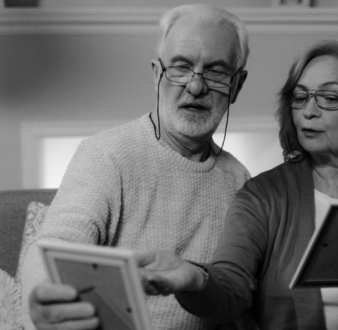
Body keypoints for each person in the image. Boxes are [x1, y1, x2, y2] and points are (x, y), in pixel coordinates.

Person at [21, 4, 250, 330]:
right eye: (181, 67)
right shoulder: (107, 155)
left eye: (216, 72)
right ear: (158, 74)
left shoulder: (241, 181)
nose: (196, 87)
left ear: (236, 85)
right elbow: (59, 242)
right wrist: (43, 296)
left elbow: (240, 293)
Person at [136, 40, 338, 330]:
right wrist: (195, 279)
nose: (308, 111)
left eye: (330, 98)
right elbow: (230, 289)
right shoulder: (263, 195)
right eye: (300, 97)